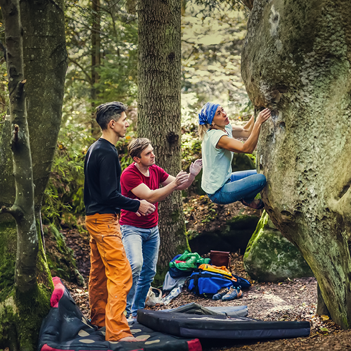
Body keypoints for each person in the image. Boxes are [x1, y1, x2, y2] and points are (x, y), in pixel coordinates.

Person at [84, 102, 156, 342]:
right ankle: (117, 331)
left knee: (99, 273)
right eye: (124, 119)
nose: (127, 123)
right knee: (122, 272)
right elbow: (108, 194)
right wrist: (137, 204)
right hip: (104, 220)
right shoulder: (106, 152)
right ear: (112, 124)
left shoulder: (95, 148)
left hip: (94, 218)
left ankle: (98, 319)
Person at [119, 138, 202, 320]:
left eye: (152, 151)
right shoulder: (128, 174)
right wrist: (173, 184)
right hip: (131, 228)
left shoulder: (155, 170)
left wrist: (192, 175)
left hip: (152, 229)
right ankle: (123, 311)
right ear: (136, 159)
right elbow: (149, 196)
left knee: (149, 272)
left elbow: (181, 185)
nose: (153, 155)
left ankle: (136, 312)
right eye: (148, 153)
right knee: (135, 266)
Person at [198, 102, 271, 209]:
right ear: (212, 123)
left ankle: (243, 194)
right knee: (260, 179)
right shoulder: (217, 137)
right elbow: (247, 149)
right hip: (218, 191)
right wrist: (258, 122)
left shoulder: (224, 127)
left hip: (226, 178)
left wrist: (257, 112)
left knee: (259, 172)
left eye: (222, 110)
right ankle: (248, 199)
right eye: (218, 113)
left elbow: (246, 131)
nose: (224, 113)